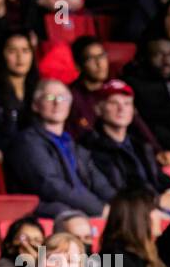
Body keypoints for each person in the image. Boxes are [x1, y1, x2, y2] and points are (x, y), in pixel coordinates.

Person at [6, 78, 115, 218]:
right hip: (47, 209)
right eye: (50, 97)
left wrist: (121, 206)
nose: (57, 103)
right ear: (35, 105)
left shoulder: (73, 144)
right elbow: (51, 186)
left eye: (62, 98)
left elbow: (100, 184)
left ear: (69, 107)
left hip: (82, 207)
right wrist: (99, 209)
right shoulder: (27, 142)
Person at [84, 79, 170, 199]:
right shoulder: (91, 148)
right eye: (113, 103)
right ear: (98, 109)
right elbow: (113, 190)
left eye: (127, 103)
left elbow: (160, 178)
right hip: (130, 209)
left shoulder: (140, 146)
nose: (121, 109)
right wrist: (158, 200)